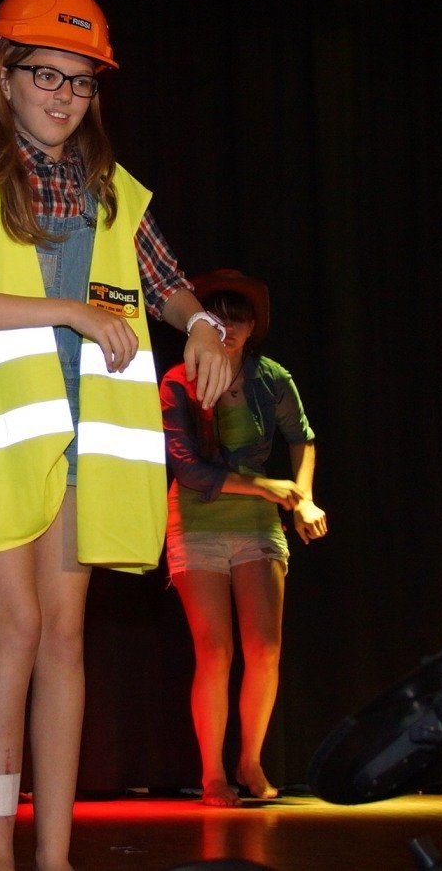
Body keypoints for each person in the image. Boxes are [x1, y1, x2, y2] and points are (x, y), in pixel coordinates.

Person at [0, 0, 235, 871]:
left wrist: (202, 324)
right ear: (5, 76)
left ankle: (52, 854)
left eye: (81, 81)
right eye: (46, 75)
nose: (63, 95)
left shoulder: (112, 190)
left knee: (64, 635)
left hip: (88, 434)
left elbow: (168, 285)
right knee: (14, 627)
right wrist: (69, 313)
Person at [157, 269, 325, 807]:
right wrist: (266, 487)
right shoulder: (179, 380)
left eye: (238, 319)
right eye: (218, 318)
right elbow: (190, 470)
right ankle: (212, 775)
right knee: (215, 650)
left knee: (265, 649)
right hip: (198, 521)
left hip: (256, 524)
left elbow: (302, 438)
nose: (227, 329)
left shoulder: (270, 377)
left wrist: (303, 497)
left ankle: (249, 760)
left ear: (254, 326)